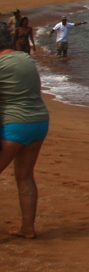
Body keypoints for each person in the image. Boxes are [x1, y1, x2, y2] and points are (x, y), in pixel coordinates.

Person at [0, 38, 50, 238]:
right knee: (25, 176)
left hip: (15, 125)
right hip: (39, 122)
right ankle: (27, 228)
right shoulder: (24, 57)